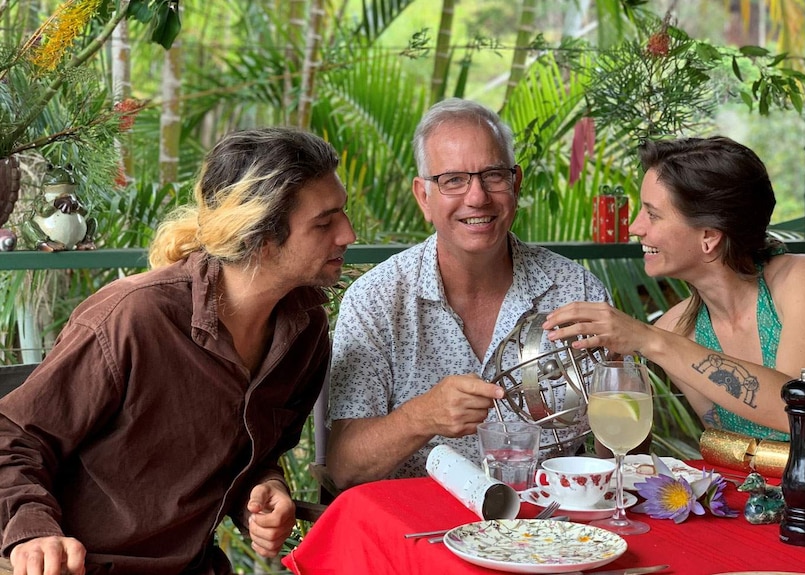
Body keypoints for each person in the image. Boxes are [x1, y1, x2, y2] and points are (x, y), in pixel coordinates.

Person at [0, 127, 356, 574]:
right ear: (260, 236)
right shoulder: (133, 317)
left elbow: (258, 450)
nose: (348, 233)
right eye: (325, 222)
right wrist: (33, 531)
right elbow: (12, 436)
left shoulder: (305, 331)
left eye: (342, 214)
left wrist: (266, 488)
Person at [325, 98, 613, 489]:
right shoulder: (375, 301)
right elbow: (343, 468)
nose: (477, 197)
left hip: (551, 531)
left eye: (493, 175)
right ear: (423, 196)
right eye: (453, 180)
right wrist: (421, 417)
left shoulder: (576, 289)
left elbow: (621, 442)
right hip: (418, 530)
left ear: (516, 183)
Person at [545, 136, 805, 450]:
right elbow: (630, 454)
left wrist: (648, 340)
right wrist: (613, 376)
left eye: (652, 214)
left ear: (709, 236)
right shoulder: (678, 329)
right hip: (757, 497)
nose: (634, 227)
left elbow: (795, 412)